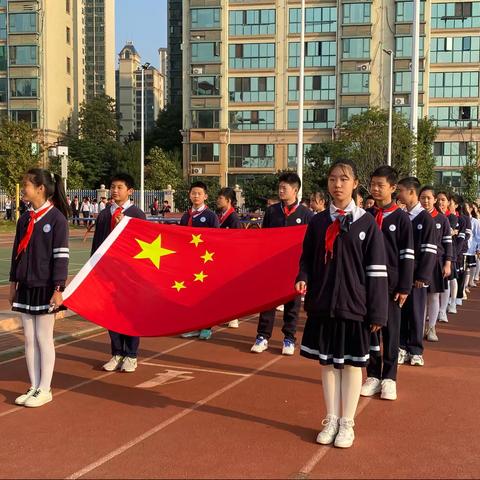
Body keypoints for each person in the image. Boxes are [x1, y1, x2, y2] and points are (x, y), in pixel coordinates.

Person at [296, 159, 388, 448]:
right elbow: (307, 259)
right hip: (323, 303)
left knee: (350, 366)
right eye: (333, 179)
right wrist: (303, 277)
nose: (337, 184)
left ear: (355, 183)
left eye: (344, 179)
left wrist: (377, 311)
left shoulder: (366, 224)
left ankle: (348, 423)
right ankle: (331, 417)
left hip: (354, 306)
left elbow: (377, 271)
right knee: (327, 365)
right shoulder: (318, 221)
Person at [9, 169, 70, 408]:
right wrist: (14, 282)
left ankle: (45, 388)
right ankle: (34, 386)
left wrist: (58, 288)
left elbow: (61, 257)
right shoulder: (24, 219)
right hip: (25, 285)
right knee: (29, 338)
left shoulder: (57, 219)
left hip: (46, 286)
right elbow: (17, 253)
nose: (24, 189)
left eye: (26, 185)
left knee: (44, 337)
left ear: (40, 188)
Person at [360, 166, 414, 401]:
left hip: (392, 286)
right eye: (372, 184)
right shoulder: (366, 216)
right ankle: (372, 374)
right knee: (370, 330)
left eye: (380, 185)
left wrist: (404, 286)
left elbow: (408, 254)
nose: (375, 189)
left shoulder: (401, 218)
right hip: (367, 284)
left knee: (391, 332)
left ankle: (389, 377)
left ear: (393, 188)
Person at [251, 172, 314, 356]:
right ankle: (262, 336)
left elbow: (310, 242)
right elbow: (264, 238)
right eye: (279, 187)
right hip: (273, 266)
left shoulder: (306, 214)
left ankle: (289, 338)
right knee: (268, 301)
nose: (280, 190)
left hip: (295, 267)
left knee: (292, 303)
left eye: (284, 188)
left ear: (295, 190)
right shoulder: (272, 212)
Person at [91, 173, 147, 373]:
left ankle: (131, 355)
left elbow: (143, 247)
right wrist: (94, 269)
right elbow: (97, 244)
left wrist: (126, 225)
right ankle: (117, 353)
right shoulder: (105, 214)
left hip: (130, 276)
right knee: (111, 314)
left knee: (129, 314)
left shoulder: (137, 215)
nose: (115, 191)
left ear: (130, 191)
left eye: (119, 187)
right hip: (108, 273)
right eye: (113, 187)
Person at [396, 177, 436, 367]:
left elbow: (430, 249)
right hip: (403, 273)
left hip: (417, 276)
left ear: (411, 192)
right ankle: (402, 347)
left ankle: (416, 350)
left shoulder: (425, 218)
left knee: (417, 312)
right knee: (402, 311)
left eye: (401, 190)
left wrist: (423, 275)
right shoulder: (402, 216)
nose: (398, 193)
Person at [180, 181, 219, 340]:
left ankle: (206, 326)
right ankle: (193, 325)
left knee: (205, 294)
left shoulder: (210, 216)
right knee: (190, 294)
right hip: (189, 261)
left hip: (205, 261)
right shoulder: (185, 216)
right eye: (193, 193)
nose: (196, 196)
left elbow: (217, 239)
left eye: (199, 194)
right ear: (189, 195)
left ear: (205, 196)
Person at [418, 187, 453, 343]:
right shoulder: (414, 217)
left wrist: (447, 263)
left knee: (433, 296)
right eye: (423, 197)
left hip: (436, 262)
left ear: (434, 200)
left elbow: (448, 243)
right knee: (419, 298)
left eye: (429, 198)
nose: (426, 201)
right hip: (418, 262)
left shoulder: (442, 219)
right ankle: (418, 328)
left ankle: (431, 327)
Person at [217, 187, 242, 328]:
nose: (218, 200)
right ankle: (228, 314)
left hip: (231, 257)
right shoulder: (220, 215)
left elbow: (238, 239)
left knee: (231, 287)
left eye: (221, 198)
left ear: (229, 201)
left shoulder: (233, 218)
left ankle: (234, 317)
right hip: (221, 256)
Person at [436, 191, 458, 320]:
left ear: (448, 202)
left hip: (449, 253)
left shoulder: (451, 217)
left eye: (443, 200)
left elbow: (450, 232)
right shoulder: (432, 215)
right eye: (438, 199)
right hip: (436, 254)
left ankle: (443, 310)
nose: (440, 202)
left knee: (447, 282)